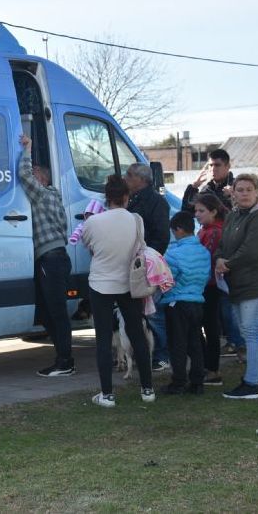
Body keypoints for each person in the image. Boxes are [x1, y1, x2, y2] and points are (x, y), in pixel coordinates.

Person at [82, 174, 155, 407]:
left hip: (100, 284)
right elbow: (141, 247)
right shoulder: (136, 220)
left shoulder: (92, 222)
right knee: (137, 335)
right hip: (129, 284)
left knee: (103, 339)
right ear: (126, 196)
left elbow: (90, 247)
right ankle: (147, 389)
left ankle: (107, 394)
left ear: (106, 197)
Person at [215, 173, 258, 400]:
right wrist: (220, 259)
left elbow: (252, 250)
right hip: (238, 284)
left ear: (257, 191)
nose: (244, 194)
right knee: (250, 334)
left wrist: (227, 264)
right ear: (233, 192)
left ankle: (250, 385)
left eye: (248, 189)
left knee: (251, 334)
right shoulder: (233, 216)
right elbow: (223, 244)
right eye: (239, 189)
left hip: (257, 284)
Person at [18, 134, 73, 377]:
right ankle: (64, 357)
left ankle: (66, 362)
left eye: (36, 173)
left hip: (50, 259)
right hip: (56, 258)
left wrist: (27, 148)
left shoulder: (41, 194)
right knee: (47, 310)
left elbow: (23, 174)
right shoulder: (54, 196)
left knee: (55, 312)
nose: (32, 177)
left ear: (41, 178)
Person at [124, 163, 171, 373]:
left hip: (147, 266)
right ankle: (142, 354)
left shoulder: (157, 202)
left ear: (140, 179)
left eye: (129, 175)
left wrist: (146, 260)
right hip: (131, 264)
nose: (125, 179)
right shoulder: (129, 201)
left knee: (154, 313)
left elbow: (162, 236)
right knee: (138, 314)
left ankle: (162, 355)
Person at [161, 211, 210, 395]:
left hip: (177, 303)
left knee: (177, 344)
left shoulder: (172, 254)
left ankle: (178, 381)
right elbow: (205, 276)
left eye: (174, 231)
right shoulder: (203, 252)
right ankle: (197, 382)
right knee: (195, 342)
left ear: (179, 230)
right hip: (197, 301)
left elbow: (167, 280)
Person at [193, 194, 228, 386]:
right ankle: (208, 366)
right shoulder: (206, 230)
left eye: (201, 211)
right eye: (196, 211)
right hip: (205, 284)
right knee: (207, 326)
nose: (197, 215)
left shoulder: (215, 232)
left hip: (210, 285)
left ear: (213, 211)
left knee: (210, 327)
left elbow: (206, 258)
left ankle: (212, 369)